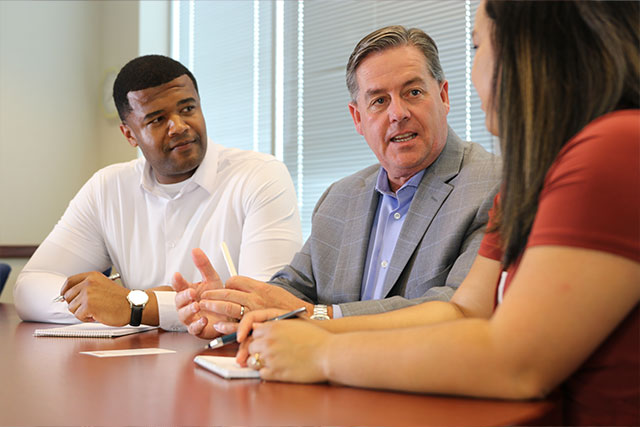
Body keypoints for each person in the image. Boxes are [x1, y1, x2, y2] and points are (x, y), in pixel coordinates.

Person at [233, 1, 640, 425]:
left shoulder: (612, 149)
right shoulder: (535, 176)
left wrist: (323, 352)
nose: (474, 71)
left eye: (477, 46)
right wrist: (300, 328)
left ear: (526, 50)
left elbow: (515, 362)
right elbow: (461, 312)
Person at [174, 26, 501, 339]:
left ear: (443, 97)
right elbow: (290, 291)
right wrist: (232, 309)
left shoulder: (494, 184)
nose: (398, 113)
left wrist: (319, 316)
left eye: (413, 92)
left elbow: (459, 307)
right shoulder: (340, 198)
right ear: (358, 118)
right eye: (379, 101)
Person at [14, 55, 302, 330]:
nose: (179, 126)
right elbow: (29, 289)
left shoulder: (260, 175)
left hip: (230, 363)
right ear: (129, 134)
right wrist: (109, 305)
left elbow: (267, 307)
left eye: (188, 109)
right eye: (157, 119)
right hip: (137, 367)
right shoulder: (107, 188)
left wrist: (137, 305)